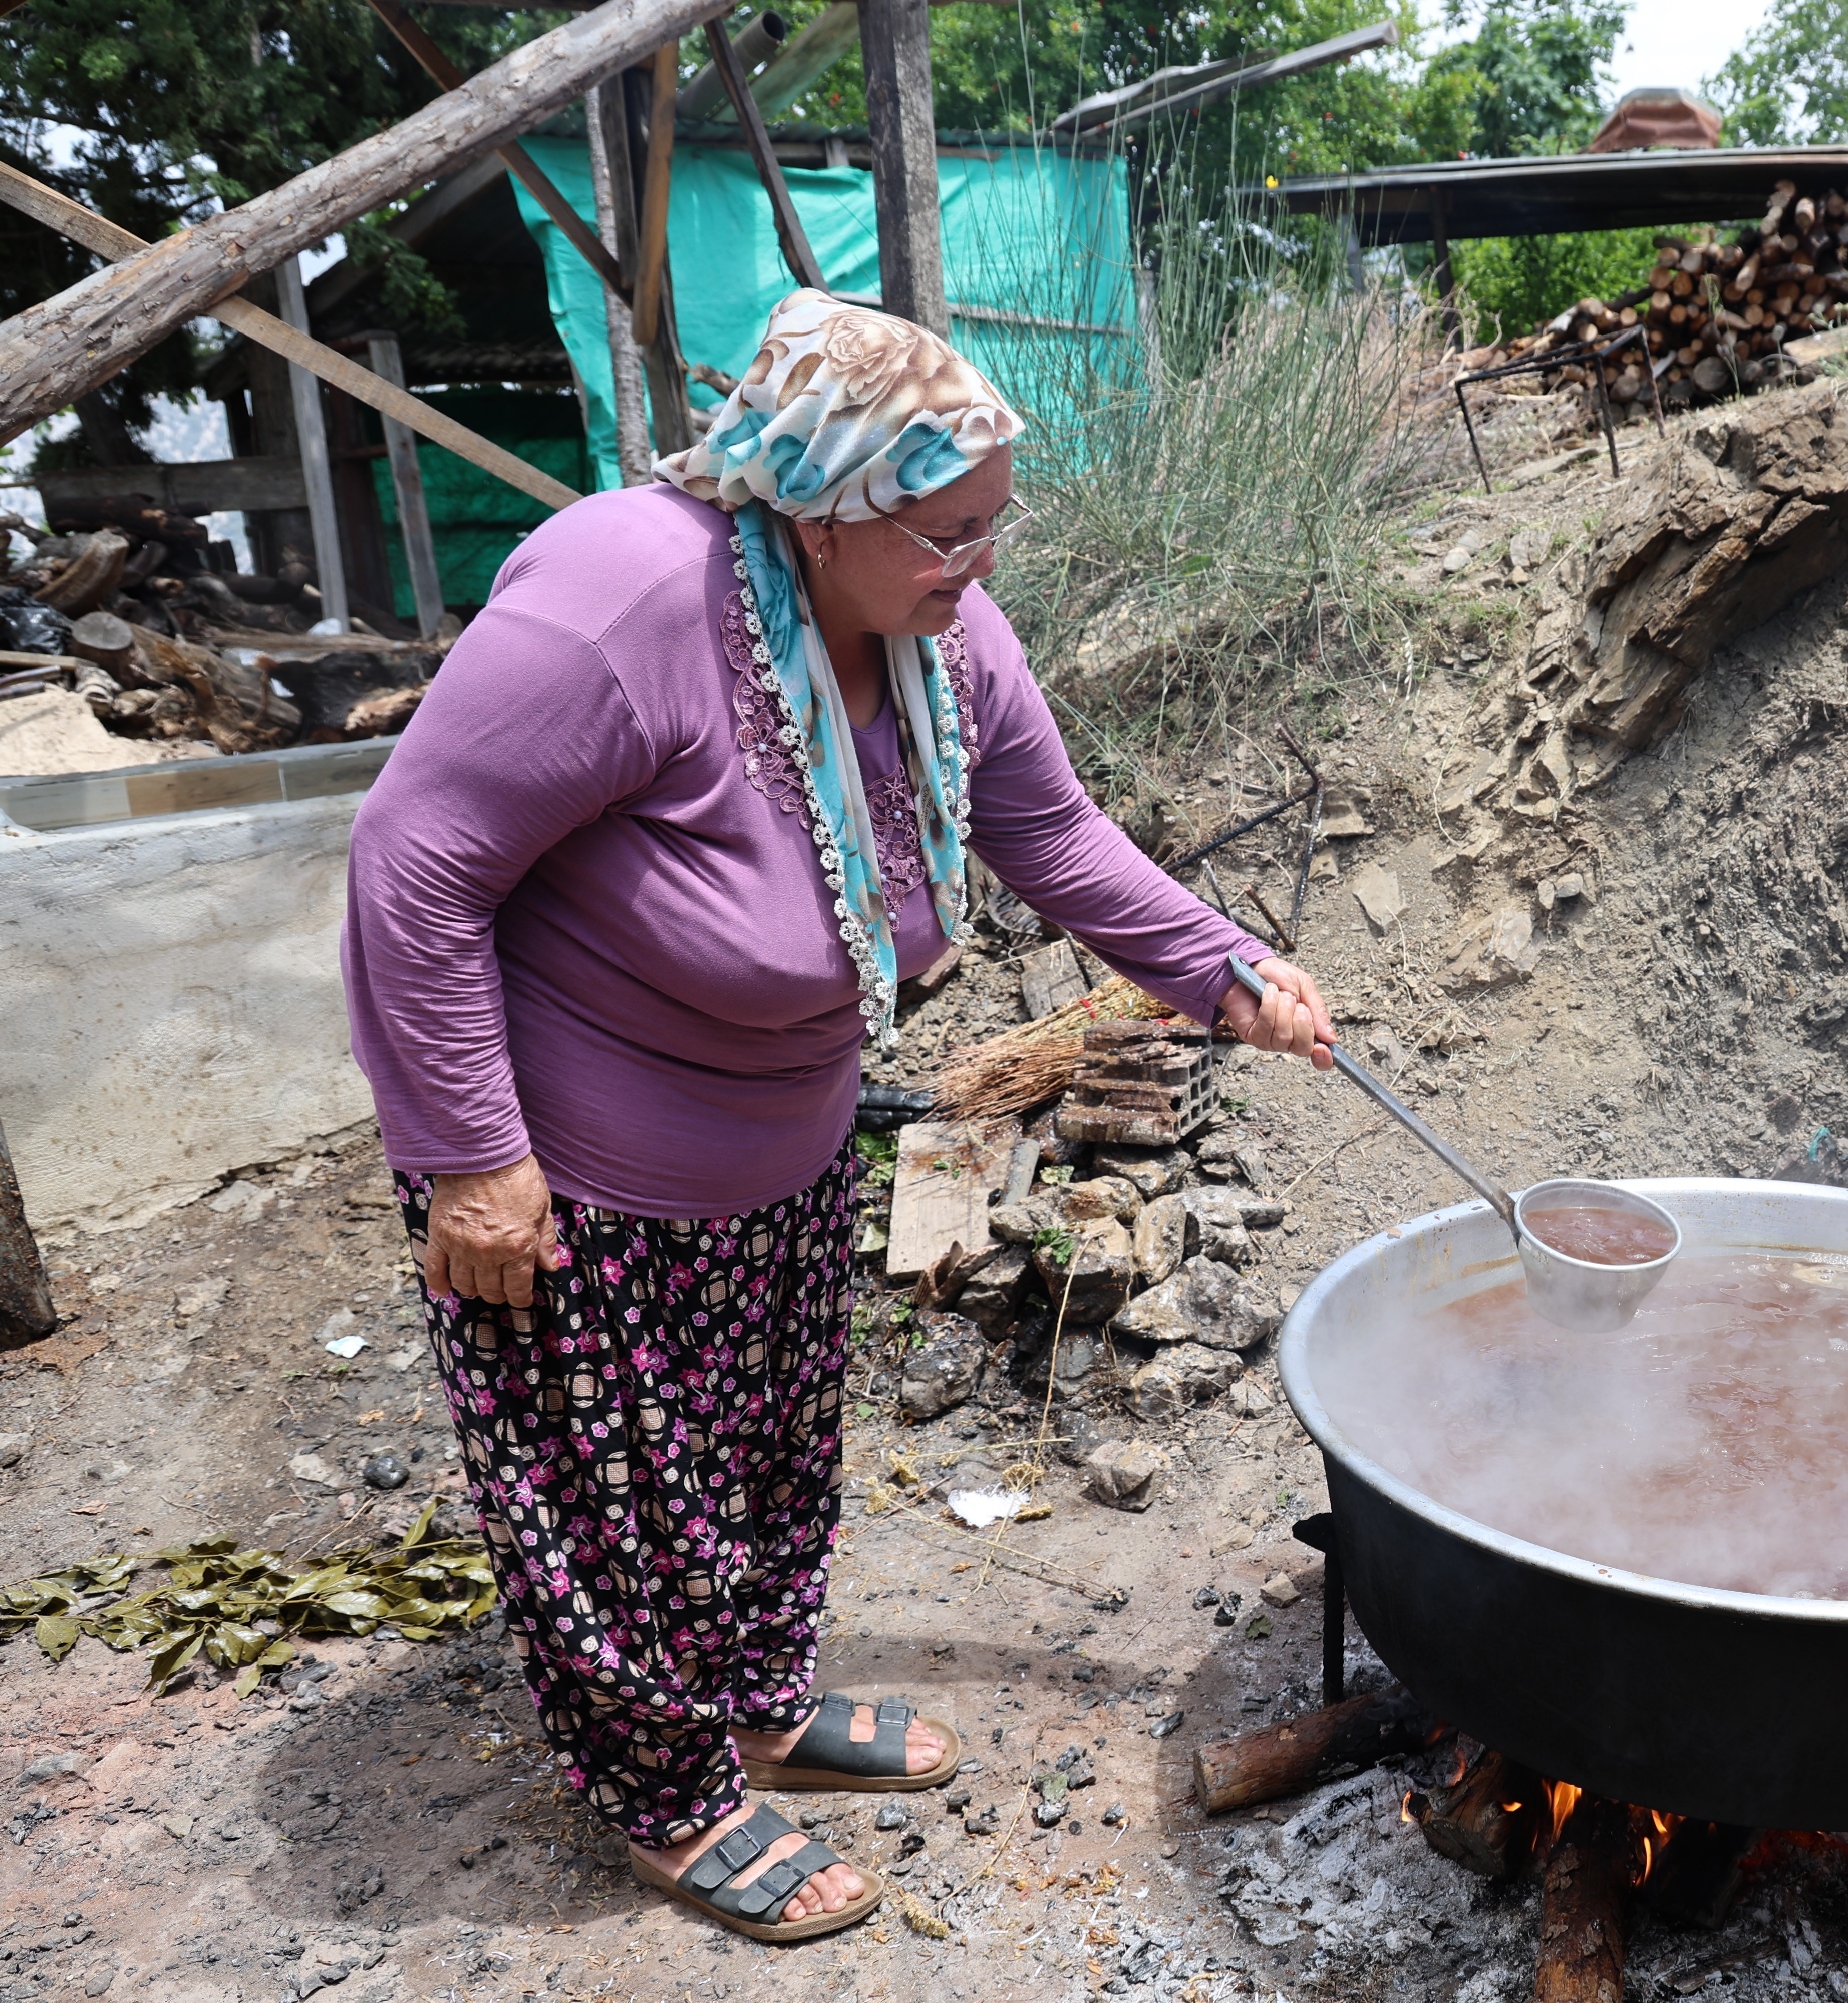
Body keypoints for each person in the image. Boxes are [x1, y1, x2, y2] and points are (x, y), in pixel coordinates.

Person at [342, 289, 1333, 1942]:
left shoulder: (942, 640)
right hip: (568, 1167)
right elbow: (416, 866)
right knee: (627, 1504)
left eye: (993, 530)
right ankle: (665, 1803)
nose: (979, 567)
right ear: (820, 506)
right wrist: (473, 1160)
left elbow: (1058, 839)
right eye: (947, 535)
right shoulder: (621, 606)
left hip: (781, 1139)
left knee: (769, 1459)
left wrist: (1224, 970)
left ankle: (753, 1711)